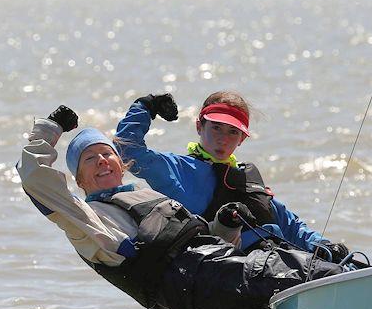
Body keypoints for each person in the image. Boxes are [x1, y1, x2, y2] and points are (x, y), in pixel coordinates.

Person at [17, 105, 344, 309]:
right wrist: (50, 128)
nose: (102, 160)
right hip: (205, 291)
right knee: (312, 273)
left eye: (107, 154)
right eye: (90, 159)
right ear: (79, 179)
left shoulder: (145, 197)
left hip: (223, 289)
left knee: (321, 271)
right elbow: (34, 176)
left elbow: (206, 245)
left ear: (120, 162)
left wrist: (225, 226)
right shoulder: (87, 220)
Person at [114, 91, 351, 263]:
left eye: (232, 132)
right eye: (215, 127)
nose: (223, 139)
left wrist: (323, 245)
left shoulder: (248, 179)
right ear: (199, 127)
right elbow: (128, 149)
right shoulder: (176, 169)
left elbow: (291, 226)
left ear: (242, 139)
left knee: (346, 264)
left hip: (278, 262)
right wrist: (145, 106)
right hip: (232, 271)